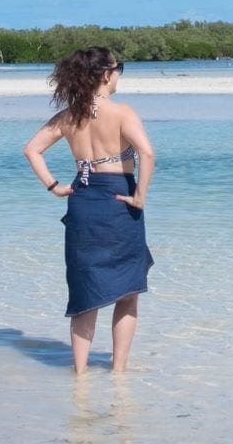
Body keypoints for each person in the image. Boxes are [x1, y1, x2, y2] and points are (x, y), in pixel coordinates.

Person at [24, 46, 155, 374]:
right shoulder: (122, 112)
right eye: (118, 67)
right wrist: (139, 196)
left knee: (85, 292)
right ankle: (118, 373)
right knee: (128, 291)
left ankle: (79, 375)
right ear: (106, 75)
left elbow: (32, 149)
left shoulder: (70, 115)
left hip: (83, 199)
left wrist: (55, 188)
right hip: (118, 200)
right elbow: (148, 154)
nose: (119, 73)